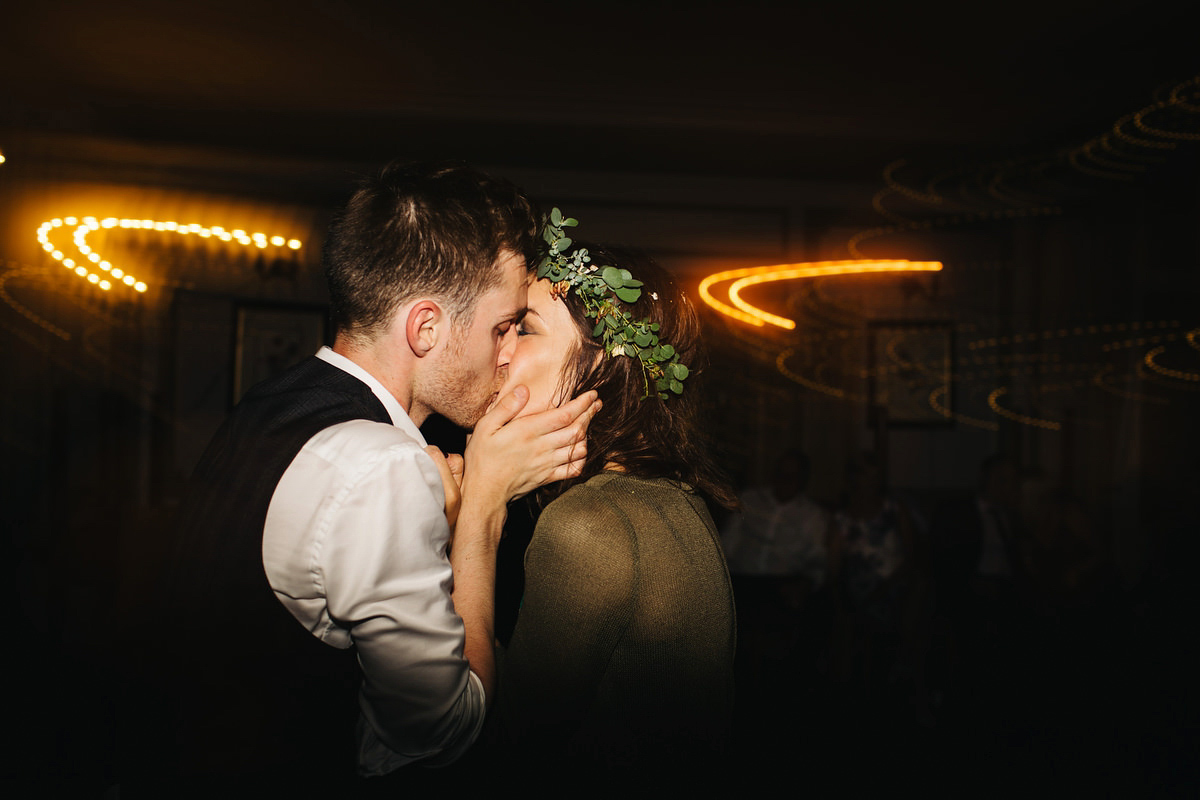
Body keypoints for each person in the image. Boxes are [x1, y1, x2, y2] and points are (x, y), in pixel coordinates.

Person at [157, 162, 598, 784]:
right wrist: (482, 512)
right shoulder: (382, 466)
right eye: (503, 327)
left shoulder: (277, 399)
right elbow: (438, 730)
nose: (509, 355)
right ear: (425, 327)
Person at [480, 221, 738, 774]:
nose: (497, 351)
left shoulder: (588, 524)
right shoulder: (674, 500)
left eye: (522, 330)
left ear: (601, 364)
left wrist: (476, 514)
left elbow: (492, 742)